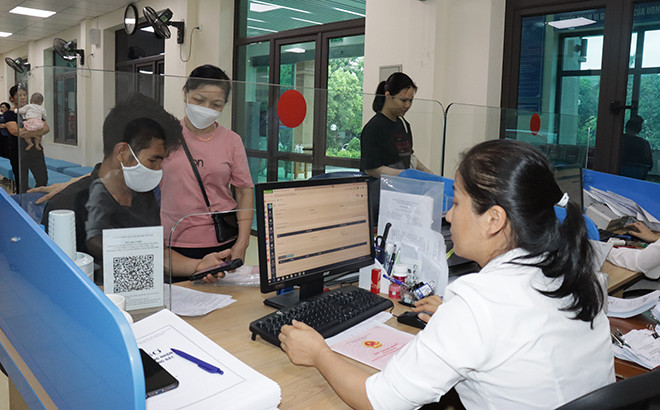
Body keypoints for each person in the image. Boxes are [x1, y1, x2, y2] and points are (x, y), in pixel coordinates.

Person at [279, 139, 614, 409]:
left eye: (456, 203)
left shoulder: (479, 303)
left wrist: (319, 354)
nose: (448, 215)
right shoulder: (577, 276)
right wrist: (454, 317)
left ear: (494, 220)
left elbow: (379, 400)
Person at [40, 93, 224, 283]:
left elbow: (156, 254)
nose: (159, 169)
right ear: (122, 152)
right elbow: (55, 280)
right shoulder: (67, 206)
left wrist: (198, 265)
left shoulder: (143, 196)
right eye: (153, 160)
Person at [159, 64, 254, 263]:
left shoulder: (232, 141)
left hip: (222, 240)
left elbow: (244, 192)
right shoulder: (164, 136)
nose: (206, 109)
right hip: (173, 243)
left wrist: (243, 242)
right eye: (199, 100)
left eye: (216, 104)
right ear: (185, 94)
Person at [360, 72, 432, 178]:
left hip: (401, 185)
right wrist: (403, 175)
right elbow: (371, 169)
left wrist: (426, 172)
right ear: (388, 96)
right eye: (403, 100)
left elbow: (408, 156)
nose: (407, 105)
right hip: (381, 186)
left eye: (411, 100)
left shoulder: (404, 124)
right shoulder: (374, 128)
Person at [4, 85, 49, 192]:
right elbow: (15, 131)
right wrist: (36, 132)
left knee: (43, 179)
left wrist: (26, 132)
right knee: (22, 183)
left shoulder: (34, 110)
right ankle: (24, 201)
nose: (23, 97)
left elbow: (46, 128)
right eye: (19, 95)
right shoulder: (9, 114)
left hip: (35, 151)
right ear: (12, 98)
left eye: (24, 95)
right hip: (18, 152)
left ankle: (34, 197)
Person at [620, 115, 653, 180]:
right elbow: (649, 164)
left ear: (626, 127)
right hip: (638, 178)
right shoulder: (644, 144)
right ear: (639, 129)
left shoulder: (617, 140)